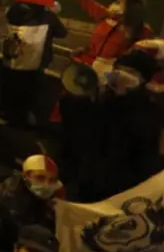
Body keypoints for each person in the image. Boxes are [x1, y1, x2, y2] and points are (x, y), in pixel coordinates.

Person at [60, 50, 163, 202]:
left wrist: (124, 99)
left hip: (119, 184)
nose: (121, 74)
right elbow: (75, 127)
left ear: (143, 79)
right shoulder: (103, 98)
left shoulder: (151, 110)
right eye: (118, 68)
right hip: (86, 175)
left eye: (130, 71)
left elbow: (142, 141)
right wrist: (78, 99)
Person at [64, 0, 151, 75]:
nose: (114, 3)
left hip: (108, 76)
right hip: (85, 67)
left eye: (119, 3)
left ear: (128, 11)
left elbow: (139, 61)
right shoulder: (106, 16)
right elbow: (86, 2)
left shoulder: (140, 31)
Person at [0, 1, 68, 127]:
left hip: (12, 63)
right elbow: (62, 33)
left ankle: (8, 120)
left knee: (11, 95)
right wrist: (52, 14)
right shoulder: (47, 17)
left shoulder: (14, 9)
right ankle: (24, 123)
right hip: (34, 66)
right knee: (29, 97)